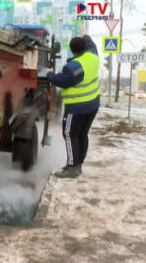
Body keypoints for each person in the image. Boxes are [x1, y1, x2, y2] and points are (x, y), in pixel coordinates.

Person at [40, 24, 99, 178]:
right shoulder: (93, 55)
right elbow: (90, 43)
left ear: (72, 50)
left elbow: (62, 81)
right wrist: (85, 34)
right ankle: (78, 165)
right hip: (92, 105)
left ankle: (72, 167)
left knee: (69, 134)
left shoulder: (73, 67)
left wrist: (49, 74)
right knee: (82, 134)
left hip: (77, 108)